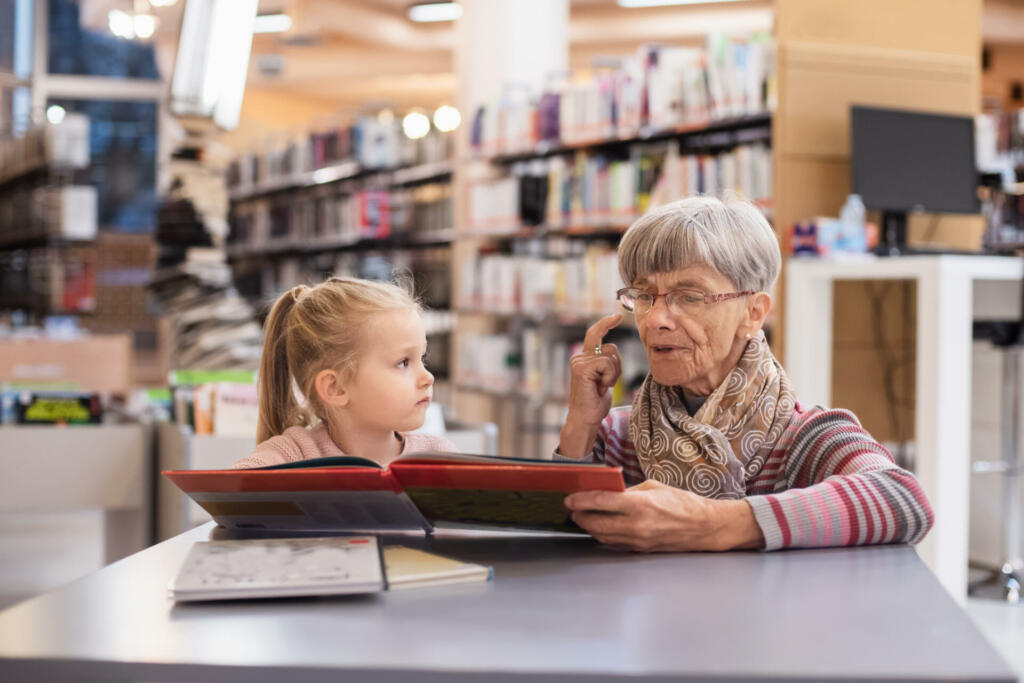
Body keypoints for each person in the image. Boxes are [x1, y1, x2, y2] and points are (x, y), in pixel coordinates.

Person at [560, 196, 933, 552]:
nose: (655, 319)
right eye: (644, 296)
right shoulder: (616, 435)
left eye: (689, 296)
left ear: (753, 314)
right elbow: (549, 533)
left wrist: (709, 523)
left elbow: (904, 501)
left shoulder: (803, 437)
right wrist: (580, 423)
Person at [233, 277, 456, 469]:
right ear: (335, 388)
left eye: (422, 358)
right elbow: (228, 492)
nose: (428, 378)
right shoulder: (296, 454)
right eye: (403, 363)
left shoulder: (438, 457)